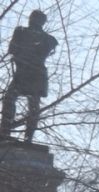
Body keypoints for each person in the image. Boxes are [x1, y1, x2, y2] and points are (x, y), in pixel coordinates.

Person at [0, 10, 57, 143]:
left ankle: (27, 137)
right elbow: (12, 50)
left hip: (36, 74)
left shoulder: (49, 39)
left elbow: (16, 51)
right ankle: (5, 132)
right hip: (23, 72)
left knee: (32, 105)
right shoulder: (21, 32)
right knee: (10, 99)